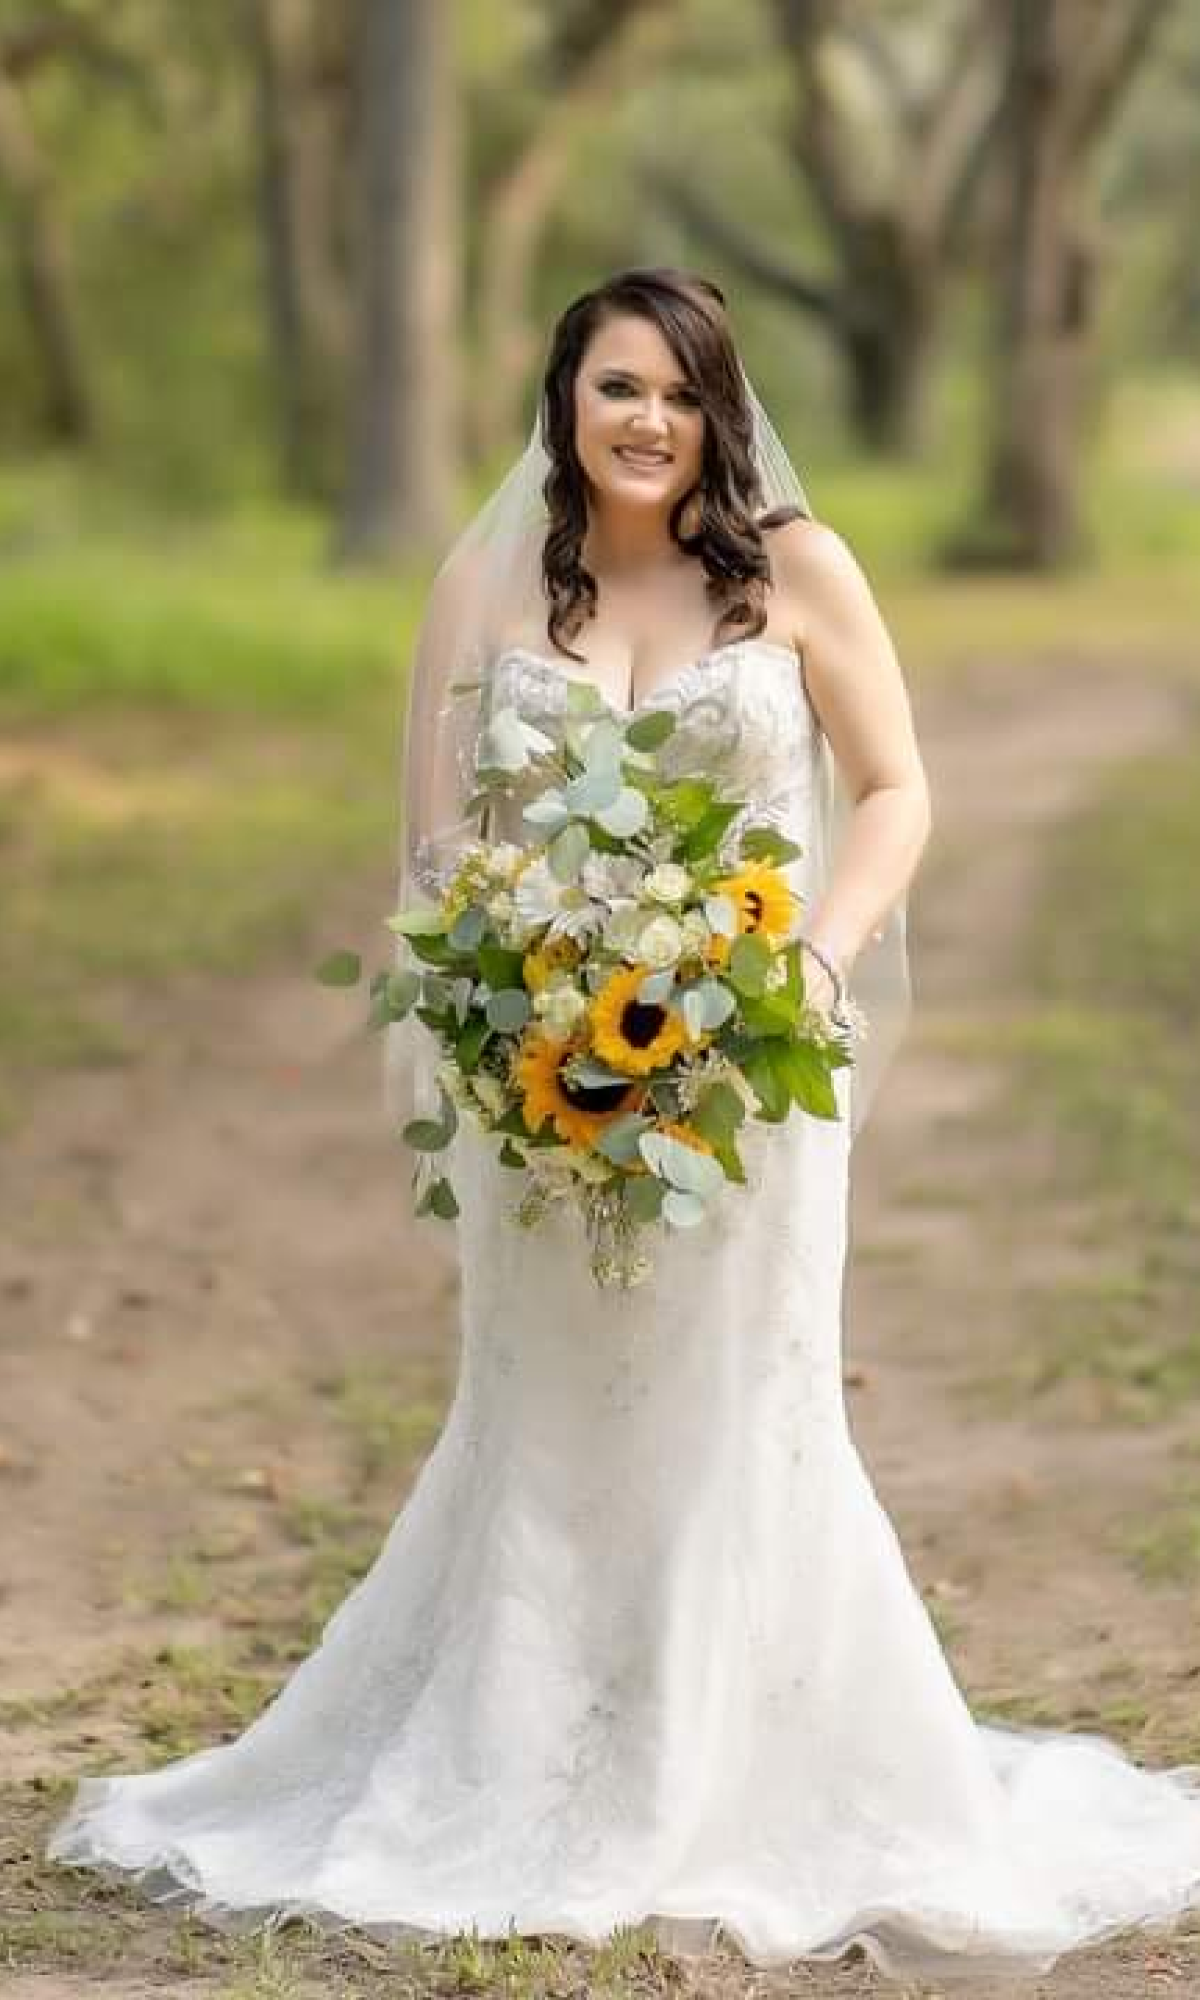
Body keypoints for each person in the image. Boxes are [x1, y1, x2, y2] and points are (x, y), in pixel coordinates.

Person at [45, 268, 1200, 1986]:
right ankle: (518, 1749)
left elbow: (897, 790)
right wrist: (509, 991)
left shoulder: (797, 573)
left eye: (674, 389)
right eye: (613, 389)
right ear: (563, 404)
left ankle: (736, 1759)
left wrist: (801, 964)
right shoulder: (484, 582)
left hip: (745, 1074)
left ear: (716, 406)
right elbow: (434, 853)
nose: (645, 419)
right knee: (551, 1413)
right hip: (542, 1082)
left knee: (743, 1405)